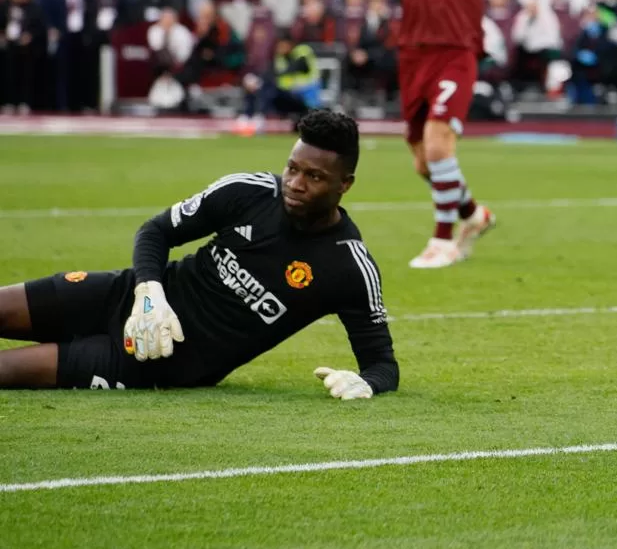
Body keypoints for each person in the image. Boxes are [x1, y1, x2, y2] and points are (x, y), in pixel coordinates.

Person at [0, 109, 395, 397]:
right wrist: (149, 292)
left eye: (314, 177)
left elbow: (382, 364)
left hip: (155, 361)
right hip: (124, 297)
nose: (295, 183)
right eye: (292, 168)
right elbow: (156, 231)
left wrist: (366, 384)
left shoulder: (349, 267)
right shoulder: (250, 191)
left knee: (7, 369)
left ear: (345, 184)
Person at [333, 0, 555, 268]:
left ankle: (443, 240)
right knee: (423, 161)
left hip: (458, 51)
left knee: (438, 146)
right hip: (413, 54)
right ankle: (473, 214)